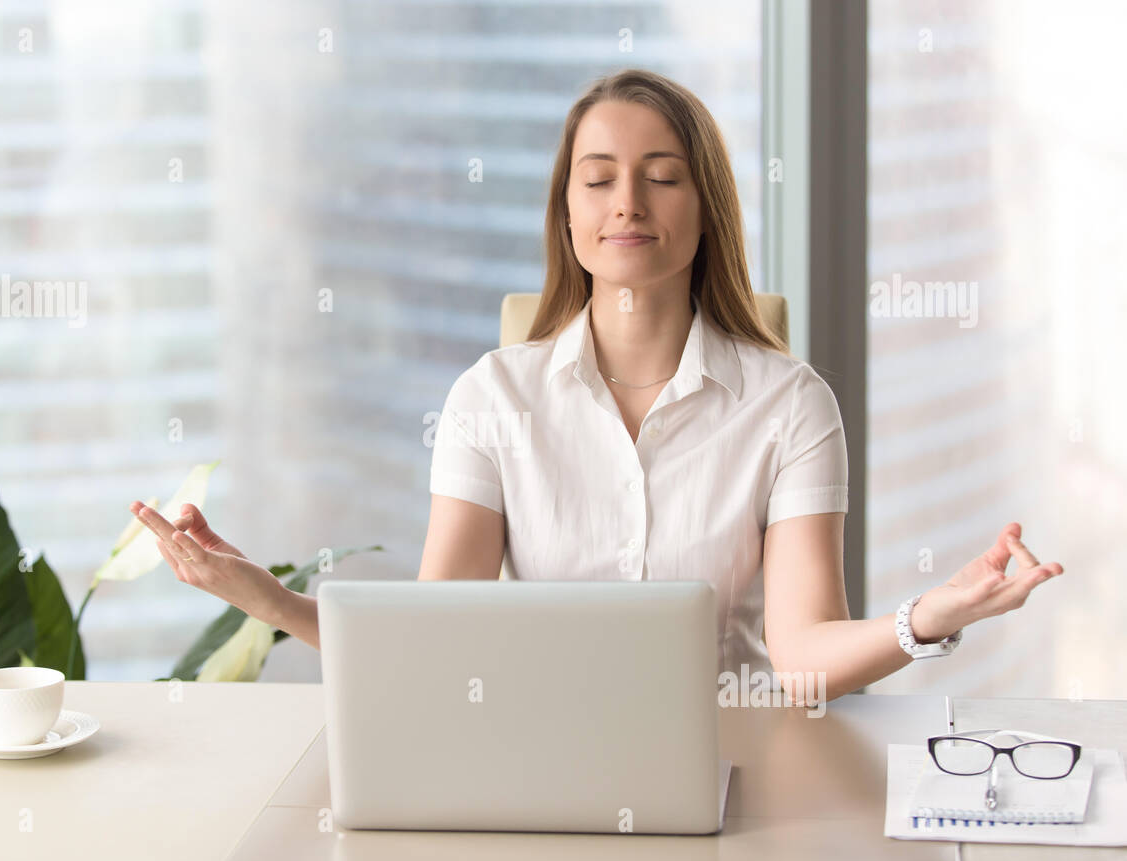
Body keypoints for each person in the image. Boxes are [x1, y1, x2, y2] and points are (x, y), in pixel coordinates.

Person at [128, 68, 1063, 700]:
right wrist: (269, 600)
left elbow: (801, 652)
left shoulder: (792, 408)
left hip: (733, 758)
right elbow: (434, 634)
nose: (627, 202)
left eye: (662, 177)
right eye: (598, 179)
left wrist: (923, 621)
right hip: (533, 751)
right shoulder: (490, 400)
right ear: (567, 214)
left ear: (706, 212)